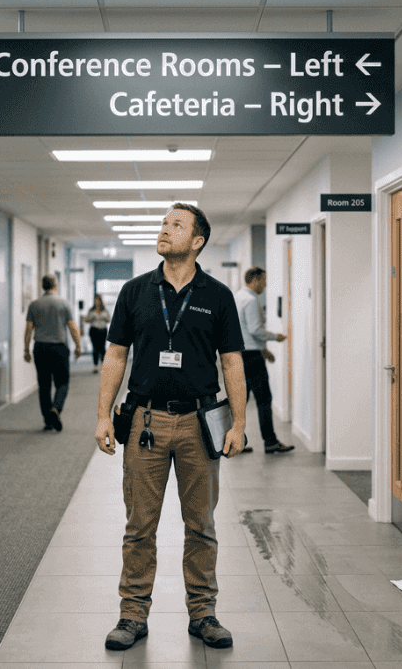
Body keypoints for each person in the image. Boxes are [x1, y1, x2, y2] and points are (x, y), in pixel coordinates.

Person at [95, 203, 248, 651]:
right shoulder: (135, 291)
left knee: (200, 524)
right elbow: (115, 356)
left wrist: (238, 423)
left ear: (197, 241)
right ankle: (132, 614)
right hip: (145, 420)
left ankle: (203, 614)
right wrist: (103, 414)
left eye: (176, 225)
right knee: (140, 525)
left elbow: (232, 361)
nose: (165, 230)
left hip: (200, 423)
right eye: (164, 223)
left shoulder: (217, 295)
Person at [234, 266, 294, 454]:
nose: (266, 285)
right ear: (255, 279)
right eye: (264, 280)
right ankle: (270, 442)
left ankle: (234, 442)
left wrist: (264, 350)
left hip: (240, 354)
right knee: (264, 399)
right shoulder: (250, 300)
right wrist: (275, 337)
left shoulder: (237, 297)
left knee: (239, 401)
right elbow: (254, 330)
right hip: (251, 357)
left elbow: (243, 332)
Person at [24, 275, 82, 431]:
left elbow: (29, 329)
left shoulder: (34, 305)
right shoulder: (63, 303)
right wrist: (78, 346)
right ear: (55, 285)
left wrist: (26, 349)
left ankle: (48, 421)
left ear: (43, 286)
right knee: (62, 382)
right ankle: (56, 409)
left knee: (44, 385)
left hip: (40, 348)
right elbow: (72, 327)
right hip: (59, 348)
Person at [83, 294, 111, 373]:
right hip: (94, 330)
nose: (97, 302)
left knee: (102, 348)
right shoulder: (91, 310)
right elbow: (86, 319)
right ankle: (95, 366)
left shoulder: (105, 310)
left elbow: (109, 319)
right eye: (95, 300)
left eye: (98, 300)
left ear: (100, 301)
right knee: (95, 348)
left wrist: (105, 319)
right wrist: (90, 319)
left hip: (103, 331)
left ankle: (103, 364)